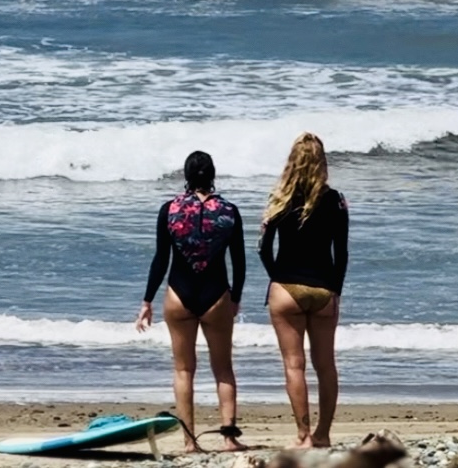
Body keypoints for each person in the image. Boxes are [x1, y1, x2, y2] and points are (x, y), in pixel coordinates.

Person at [136, 151, 246, 452]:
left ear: (186, 175)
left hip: (178, 295)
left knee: (184, 370)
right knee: (223, 369)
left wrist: (147, 301)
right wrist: (235, 298)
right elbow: (239, 261)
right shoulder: (229, 211)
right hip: (217, 295)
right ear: (213, 174)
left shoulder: (169, 210)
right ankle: (229, 438)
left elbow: (161, 259)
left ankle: (189, 441)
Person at [258, 133, 349, 449]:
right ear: (322, 163)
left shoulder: (280, 198)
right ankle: (323, 434)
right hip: (324, 289)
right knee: (326, 365)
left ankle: (303, 436)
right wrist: (336, 291)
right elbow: (342, 253)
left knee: (294, 365)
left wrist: (277, 279)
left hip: (287, 290)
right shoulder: (336, 200)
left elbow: (264, 250)